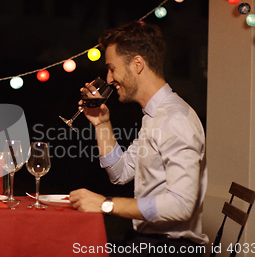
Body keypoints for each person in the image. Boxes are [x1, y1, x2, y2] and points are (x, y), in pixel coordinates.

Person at [69, 21, 208, 256]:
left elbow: (181, 206)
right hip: (148, 242)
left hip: (171, 249)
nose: (109, 78)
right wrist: (102, 124)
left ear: (137, 64)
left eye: (112, 68)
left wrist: (105, 204)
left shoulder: (175, 119)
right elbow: (119, 173)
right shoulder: (155, 116)